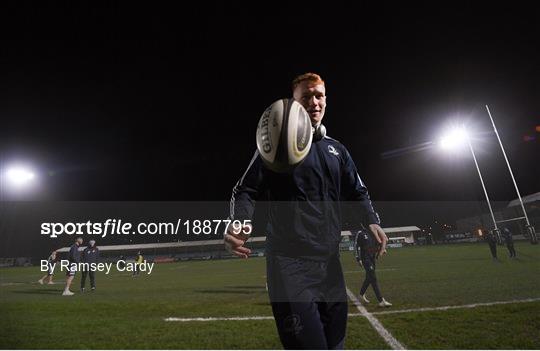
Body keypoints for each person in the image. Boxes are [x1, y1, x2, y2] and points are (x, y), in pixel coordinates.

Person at [224, 73, 387, 349]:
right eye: (306, 96)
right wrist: (240, 222)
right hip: (289, 264)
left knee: (335, 345)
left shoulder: (337, 150)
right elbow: (246, 189)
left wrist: (371, 220)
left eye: (319, 95)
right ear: (294, 104)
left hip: (329, 264)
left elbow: (357, 191)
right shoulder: (275, 145)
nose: (314, 101)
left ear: (326, 99)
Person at [354, 229, 392, 307]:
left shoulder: (374, 232)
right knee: (373, 277)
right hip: (365, 258)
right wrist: (358, 258)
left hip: (372, 258)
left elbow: (377, 244)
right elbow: (356, 245)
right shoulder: (360, 233)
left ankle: (361, 295)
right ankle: (381, 300)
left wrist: (382, 249)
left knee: (369, 278)